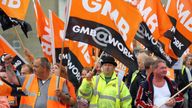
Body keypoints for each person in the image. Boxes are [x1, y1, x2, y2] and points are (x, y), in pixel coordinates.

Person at [4, 55, 70, 108]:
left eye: (36, 66)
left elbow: (68, 101)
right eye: (33, 66)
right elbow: (12, 78)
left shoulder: (60, 81)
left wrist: (62, 95)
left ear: (44, 68)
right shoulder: (28, 78)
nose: (33, 68)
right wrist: (7, 64)